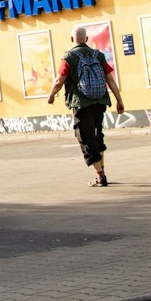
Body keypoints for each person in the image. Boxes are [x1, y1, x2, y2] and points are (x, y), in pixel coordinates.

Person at [47, 26, 124, 186]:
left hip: (81, 103)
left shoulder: (68, 57)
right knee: (97, 136)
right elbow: (110, 79)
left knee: (86, 139)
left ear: (71, 40)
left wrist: (52, 94)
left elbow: (59, 80)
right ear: (87, 39)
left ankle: (100, 175)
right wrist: (119, 100)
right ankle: (101, 170)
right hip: (100, 102)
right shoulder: (99, 55)